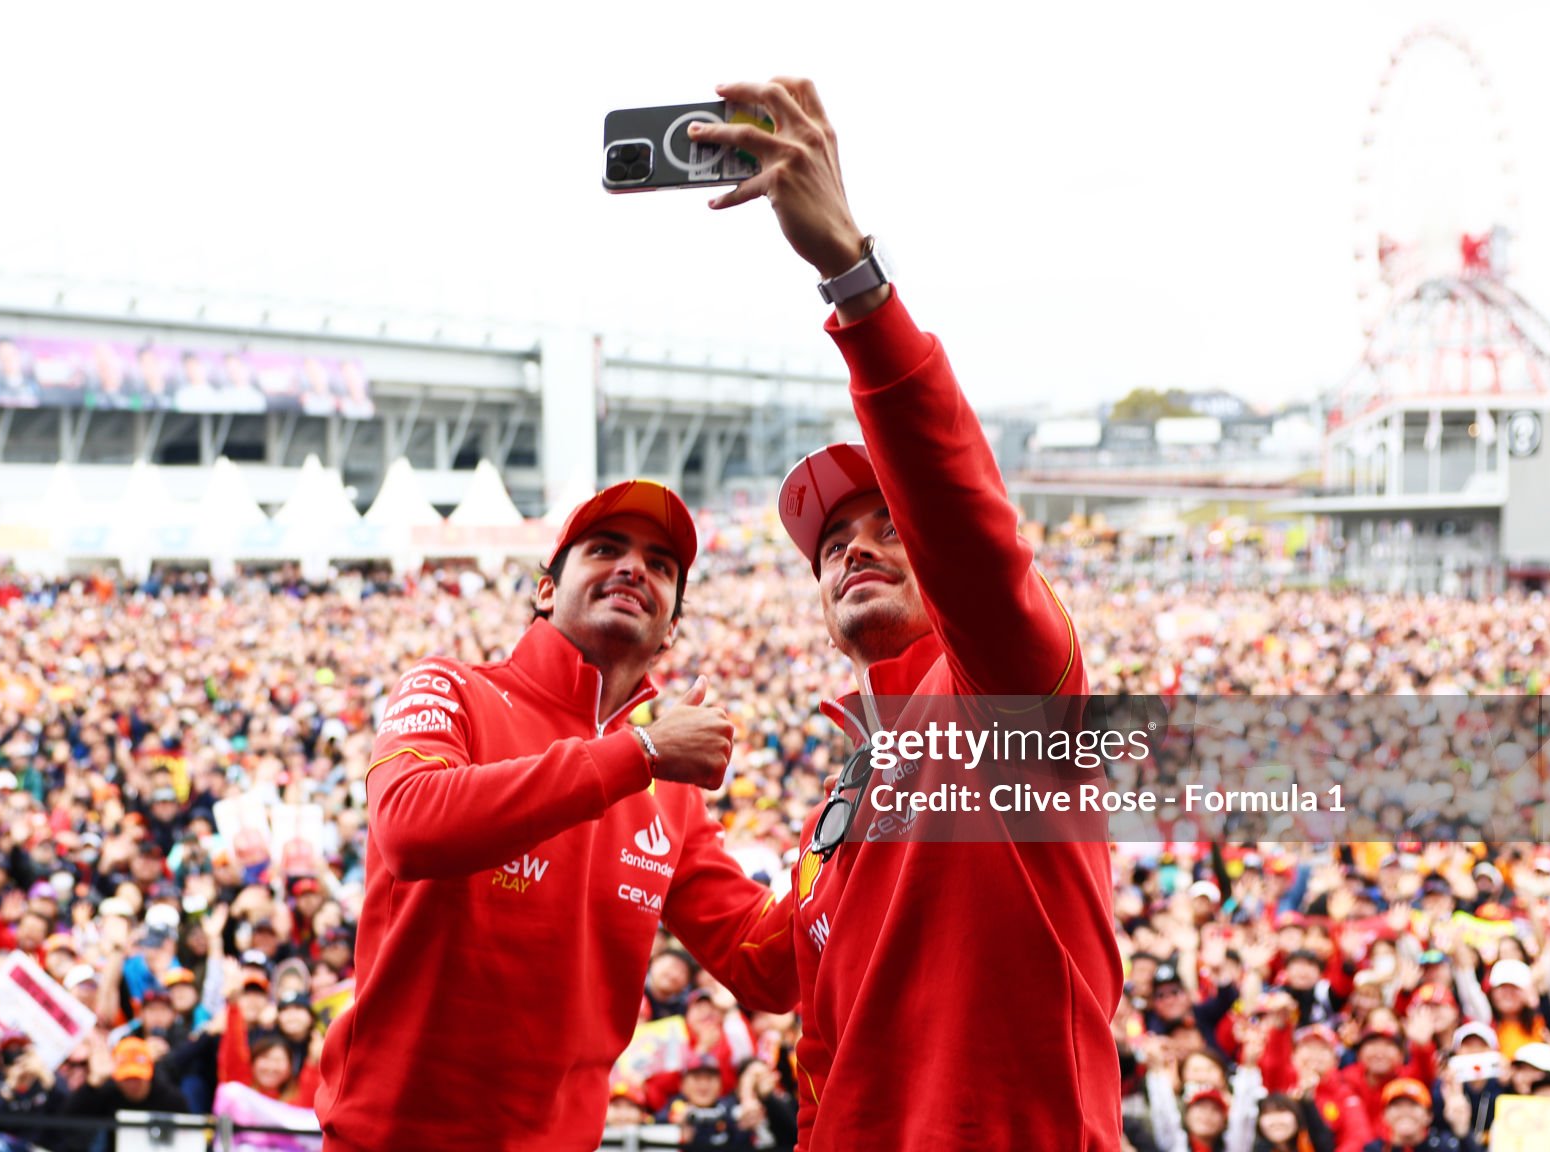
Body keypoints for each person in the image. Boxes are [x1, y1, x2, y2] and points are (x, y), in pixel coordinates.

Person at [704, 76, 1115, 1146]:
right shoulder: (849, 788)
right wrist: (626, 787)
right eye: (831, 545)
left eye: (887, 527)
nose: (855, 551)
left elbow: (970, 535)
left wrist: (852, 277)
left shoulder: (1007, 693)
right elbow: (775, 967)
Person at [314, 479, 797, 1150]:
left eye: (660, 565)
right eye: (605, 549)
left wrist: (854, 827)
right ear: (547, 591)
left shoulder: (668, 787)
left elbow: (767, 967)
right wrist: (640, 751)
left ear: (671, 629)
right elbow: (409, 825)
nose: (634, 567)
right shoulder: (450, 688)